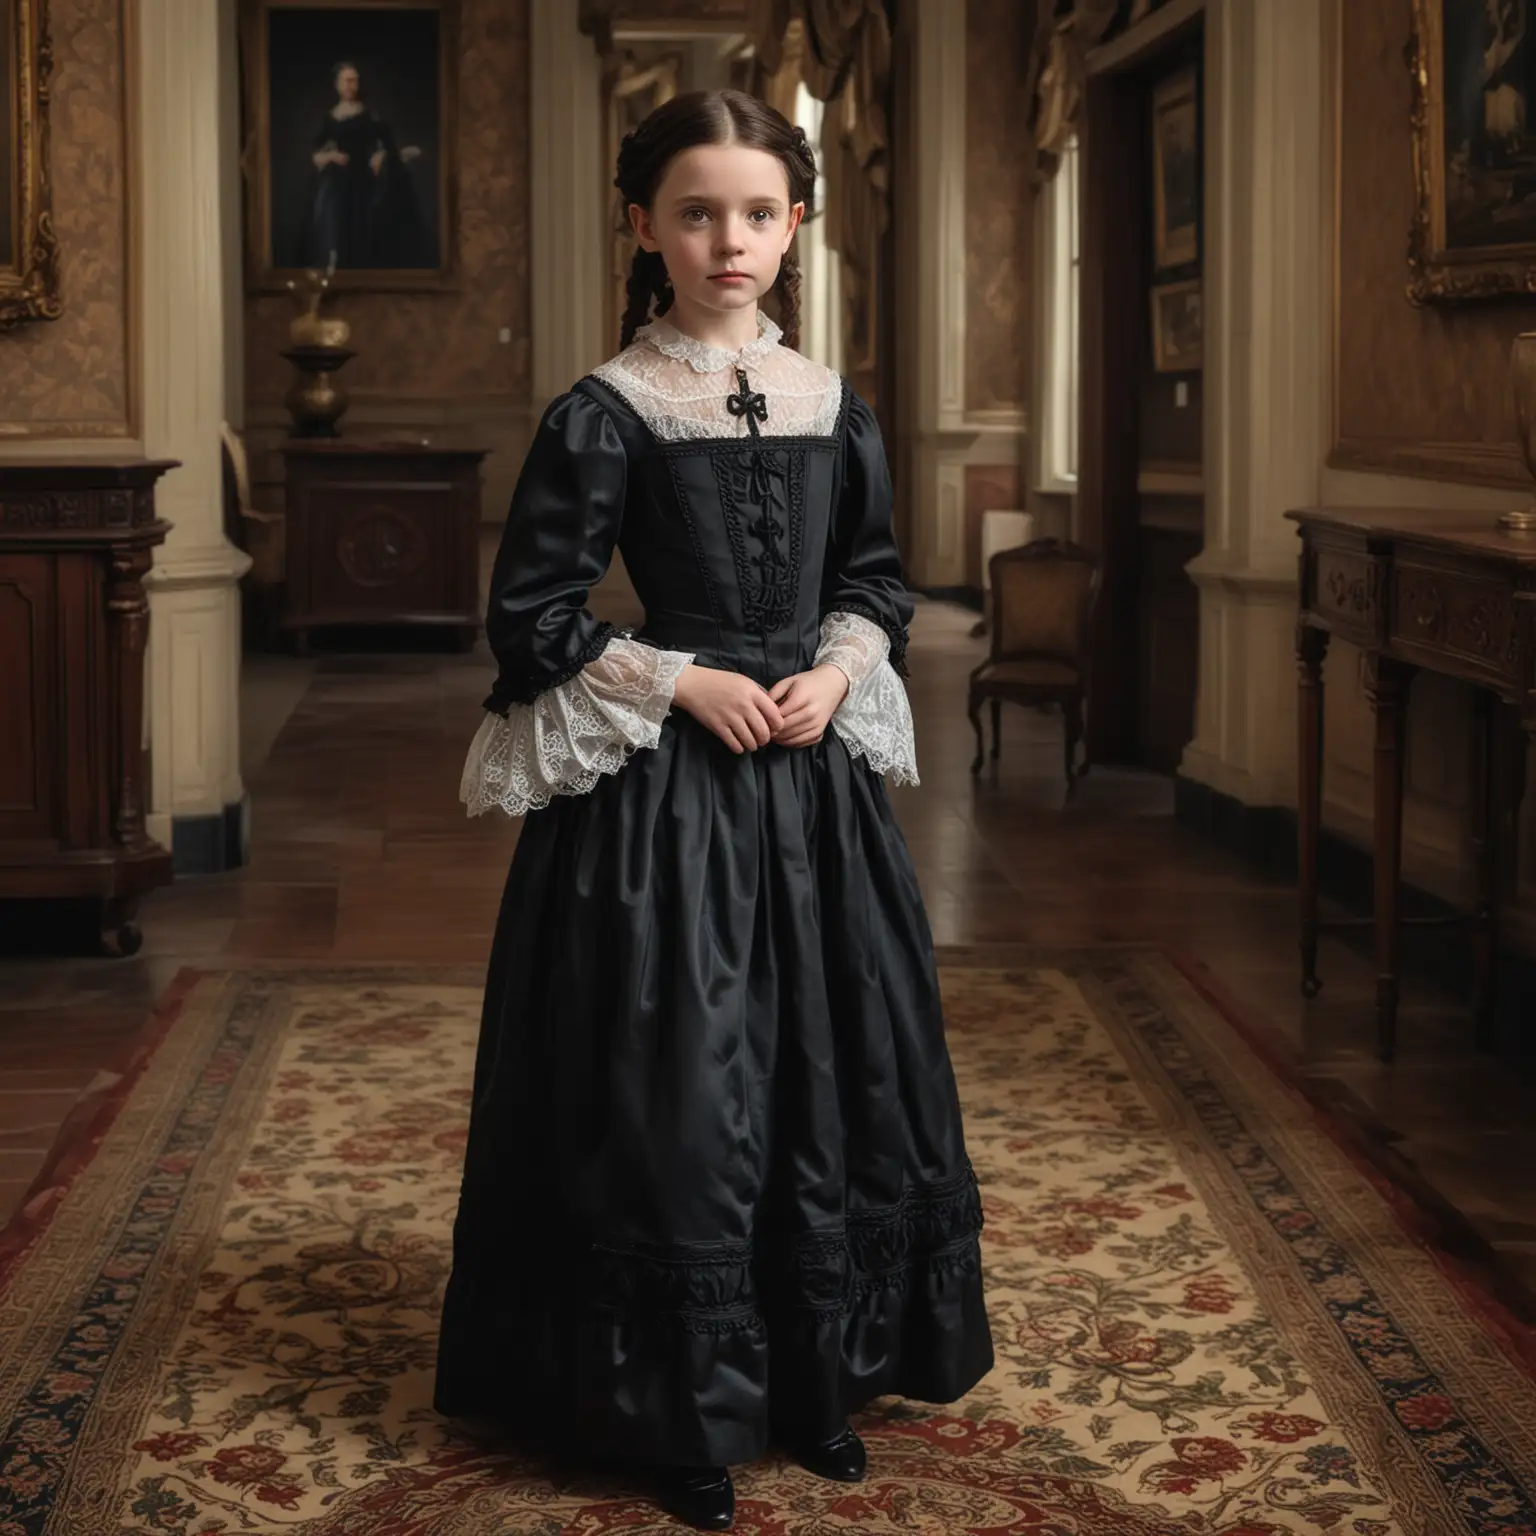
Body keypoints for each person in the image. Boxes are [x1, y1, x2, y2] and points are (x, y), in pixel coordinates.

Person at [434, 88, 993, 1532]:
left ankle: (816, 1378)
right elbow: (534, 616)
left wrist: (842, 664)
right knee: (681, 1087)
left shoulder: (834, 405)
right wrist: (680, 684)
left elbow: (873, 579)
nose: (726, 238)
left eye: (756, 211)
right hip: (667, 812)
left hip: (811, 795)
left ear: (796, 225)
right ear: (643, 226)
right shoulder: (607, 408)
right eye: (695, 211)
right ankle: (674, 1402)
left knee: (827, 1072)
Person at [292, 61, 430, 270]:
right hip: (339, 176)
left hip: (365, 176)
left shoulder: (368, 114)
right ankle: (332, 258)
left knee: (368, 220)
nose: (351, 85)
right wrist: (330, 156)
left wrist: (380, 155)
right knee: (330, 195)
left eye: (354, 81)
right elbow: (314, 152)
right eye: (347, 81)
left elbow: (387, 142)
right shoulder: (331, 117)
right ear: (337, 85)